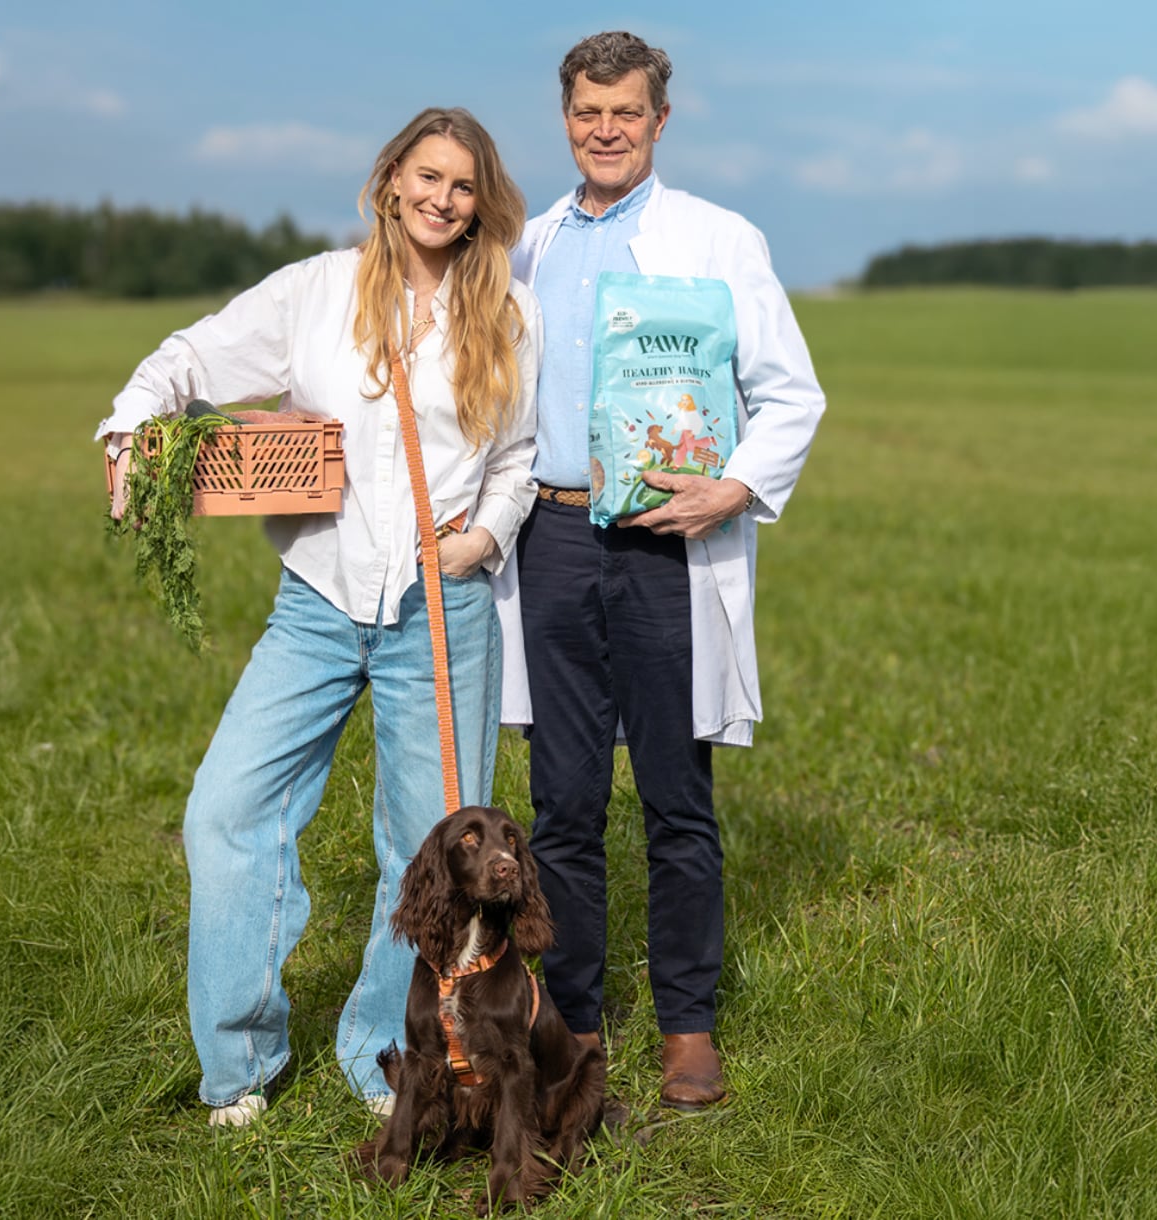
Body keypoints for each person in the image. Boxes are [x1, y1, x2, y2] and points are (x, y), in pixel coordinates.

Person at [97, 107, 539, 1126]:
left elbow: (514, 459)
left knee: (428, 849)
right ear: (389, 180)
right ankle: (241, 1065)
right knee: (227, 810)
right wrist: (129, 428)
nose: (441, 197)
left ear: (481, 203)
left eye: (462, 185)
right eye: (425, 176)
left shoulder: (509, 315)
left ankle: (385, 1048)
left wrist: (483, 540)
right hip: (317, 605)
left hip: (445, 611)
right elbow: (187, 362)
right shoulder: (313, 293)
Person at [499, 31, 825, 1111]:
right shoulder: (526, 246)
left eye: (625, 113)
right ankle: (575, 1022)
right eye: (588, 113)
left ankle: (688, 1026)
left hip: (665, 548)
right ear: (565, 118)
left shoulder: (719, 240)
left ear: (659, 120)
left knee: (678, 799)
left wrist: (729, 488)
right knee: (562, 803)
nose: (605, 130)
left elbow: (790, 393)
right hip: (548, 541)